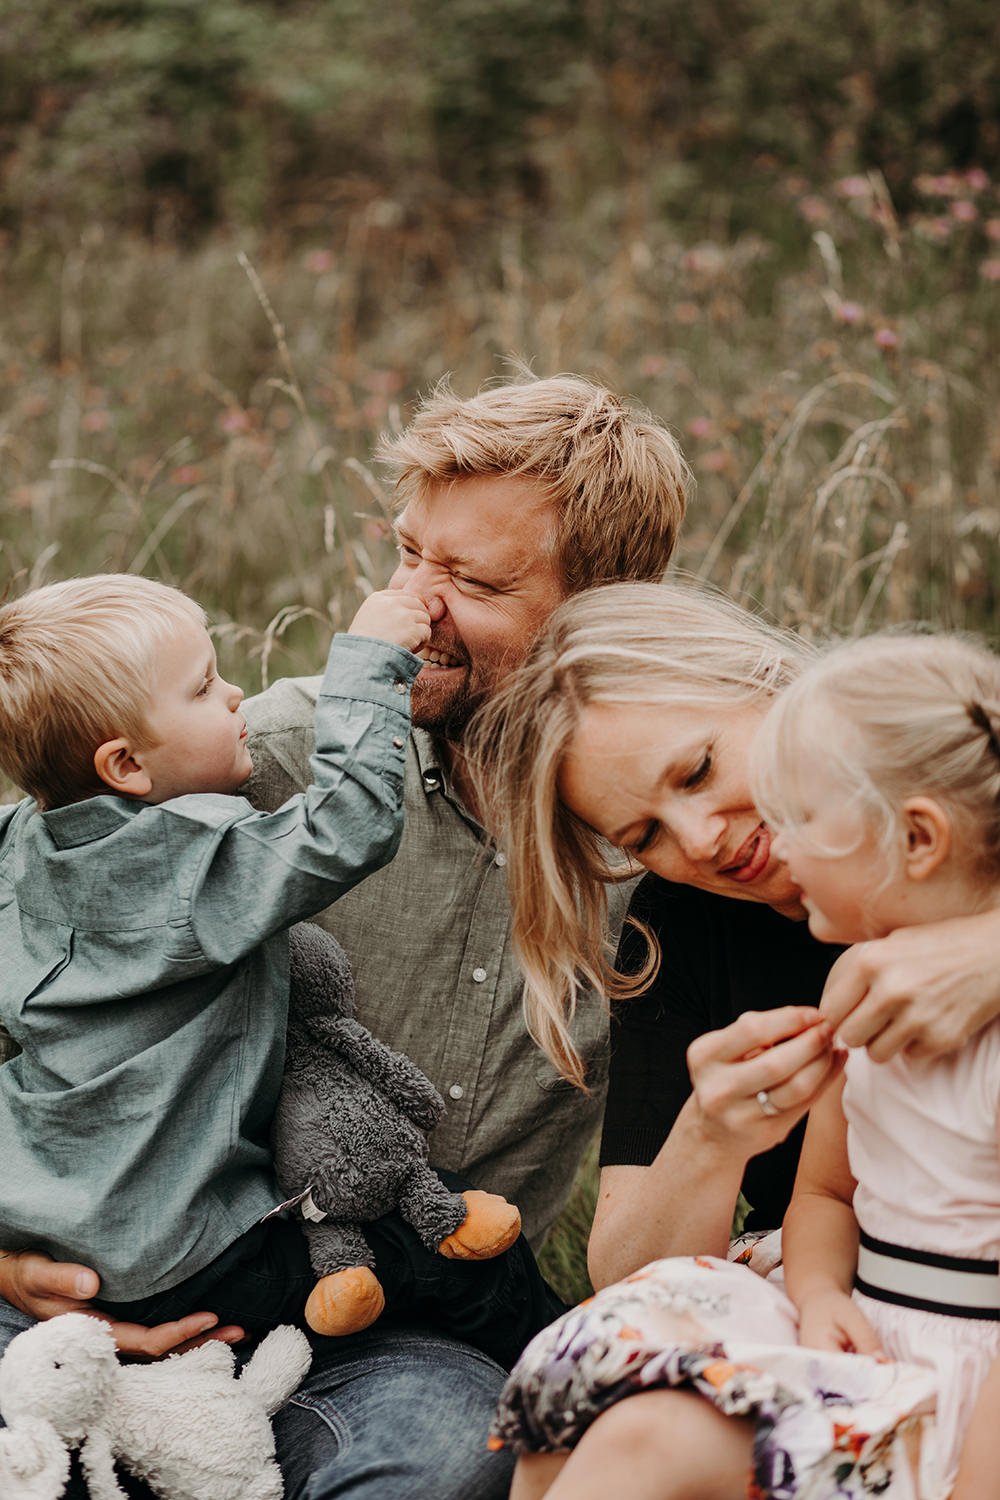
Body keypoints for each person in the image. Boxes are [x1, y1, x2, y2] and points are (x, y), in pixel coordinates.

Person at [0, 373, 692, 1500]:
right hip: (115, 1282)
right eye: (409, 553)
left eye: (469, 579)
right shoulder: (251, 763)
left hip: (395, 1325)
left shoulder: (660, 836)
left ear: (600, 608)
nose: (413, 602)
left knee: (440, 1458)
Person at [489, 624, 1000, 1500]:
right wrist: (711, 1136)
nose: (701, 840)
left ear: (774, 690)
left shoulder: (942, 747)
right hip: (858, 1288)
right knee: (589, 1430)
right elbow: (641, 1258)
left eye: (698, 770)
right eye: (645, 833)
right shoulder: (682, 924)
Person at [0, 570, 512, 1339]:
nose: (237, 694)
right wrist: (369, 663)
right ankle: (570, 1385)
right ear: (126, 767)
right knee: (468, 1256)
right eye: (204, 689)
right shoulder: (191, 872)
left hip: (56, 1235)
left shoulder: (15, 848)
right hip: (192, 1264)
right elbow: (347, 823)